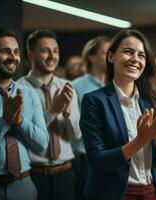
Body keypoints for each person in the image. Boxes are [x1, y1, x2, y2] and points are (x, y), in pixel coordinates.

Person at [80, 29, 156, 200]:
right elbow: (98, 161)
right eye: (128, 52)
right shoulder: (94, 101)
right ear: (111, 57)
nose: (135, 59)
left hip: (154, 192)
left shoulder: (152, 100)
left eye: (141, 55)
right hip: (117, 194)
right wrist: (141, 140)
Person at [0, 28, 49, 200]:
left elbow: (42, 144)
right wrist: (4, 121)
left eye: (16, 52)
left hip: (25, 186)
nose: (13, 57)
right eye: (5, 51)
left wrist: (20, 121)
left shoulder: (29, 94)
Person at [17, 29, 81, 200]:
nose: (52, 56)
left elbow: (77, 134)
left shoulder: (67, 86)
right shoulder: (19, 89)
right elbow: (23, 135)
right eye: (45, 51)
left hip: (66, 173)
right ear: (31, 56)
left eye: (55, 50)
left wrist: (67, 112)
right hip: (34, 175)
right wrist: (54, 110)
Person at [72, 36, 111, 200]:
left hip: (113, 155)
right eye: (105, 52)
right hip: (87, 158)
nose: (111, 57)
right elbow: (76, 124)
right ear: (91, 56)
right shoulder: (76, 85)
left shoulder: (115, 85)